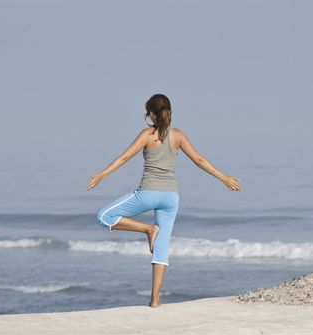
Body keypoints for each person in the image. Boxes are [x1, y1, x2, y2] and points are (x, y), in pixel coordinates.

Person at [86, 93, 242, 308]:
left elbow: (123, 157)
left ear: (151, 113)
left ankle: (147, 230)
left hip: (148, 193)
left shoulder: (147, 135)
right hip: (171, 197)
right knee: (162, 248)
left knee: (104, 216)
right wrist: (223, 177)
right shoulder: (178, 135)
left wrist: (101, 175)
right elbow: (199, 160)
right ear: (169, 111)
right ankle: (155, 301)